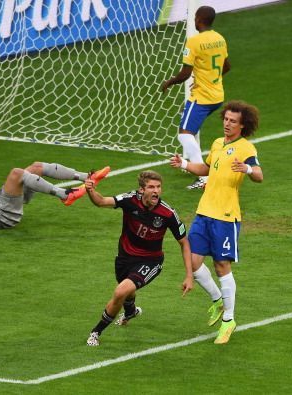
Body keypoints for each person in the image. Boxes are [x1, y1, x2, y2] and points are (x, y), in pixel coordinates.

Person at [170, 100, 263, 344]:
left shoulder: (246, 148)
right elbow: (206, 168)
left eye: (233, 121)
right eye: (225, 119)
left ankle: (229, 320)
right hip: (204, 212)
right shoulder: (218, 143)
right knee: (192, 261)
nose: (227, 123)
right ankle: (217, 299)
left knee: (221, 265)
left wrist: (247, 170)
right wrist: (184, 164)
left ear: (242, 126)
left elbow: (260, 175)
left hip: (225, 216)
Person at [84, 170, 193, 347]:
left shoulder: (168, 214)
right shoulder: (129, 200)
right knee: (127, 289)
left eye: (158, 187)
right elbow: (101, 201)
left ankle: (96, 332)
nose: (156, 191)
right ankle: (130, 312)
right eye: (151, 187)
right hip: (124, 258)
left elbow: (184, 243)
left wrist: (189, 275)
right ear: (142, 190)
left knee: (120, 291)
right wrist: (91, 190)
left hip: (151, 262)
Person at [161, 6, 230, 190]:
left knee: (184, 135)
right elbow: (227, 66)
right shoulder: (219, 39)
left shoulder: (194, 42)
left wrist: (170, 81)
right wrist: (208, 79)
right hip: (217, 96)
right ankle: (194, 165)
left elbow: (185, 73)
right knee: (191, 130)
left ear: (199, 18)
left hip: (202, 98)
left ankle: (203, 177)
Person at [0, 163, 110, 232]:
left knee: (36, 167)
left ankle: (87, 176)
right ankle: (64, 195)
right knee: (17, 173)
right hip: (1, 216)